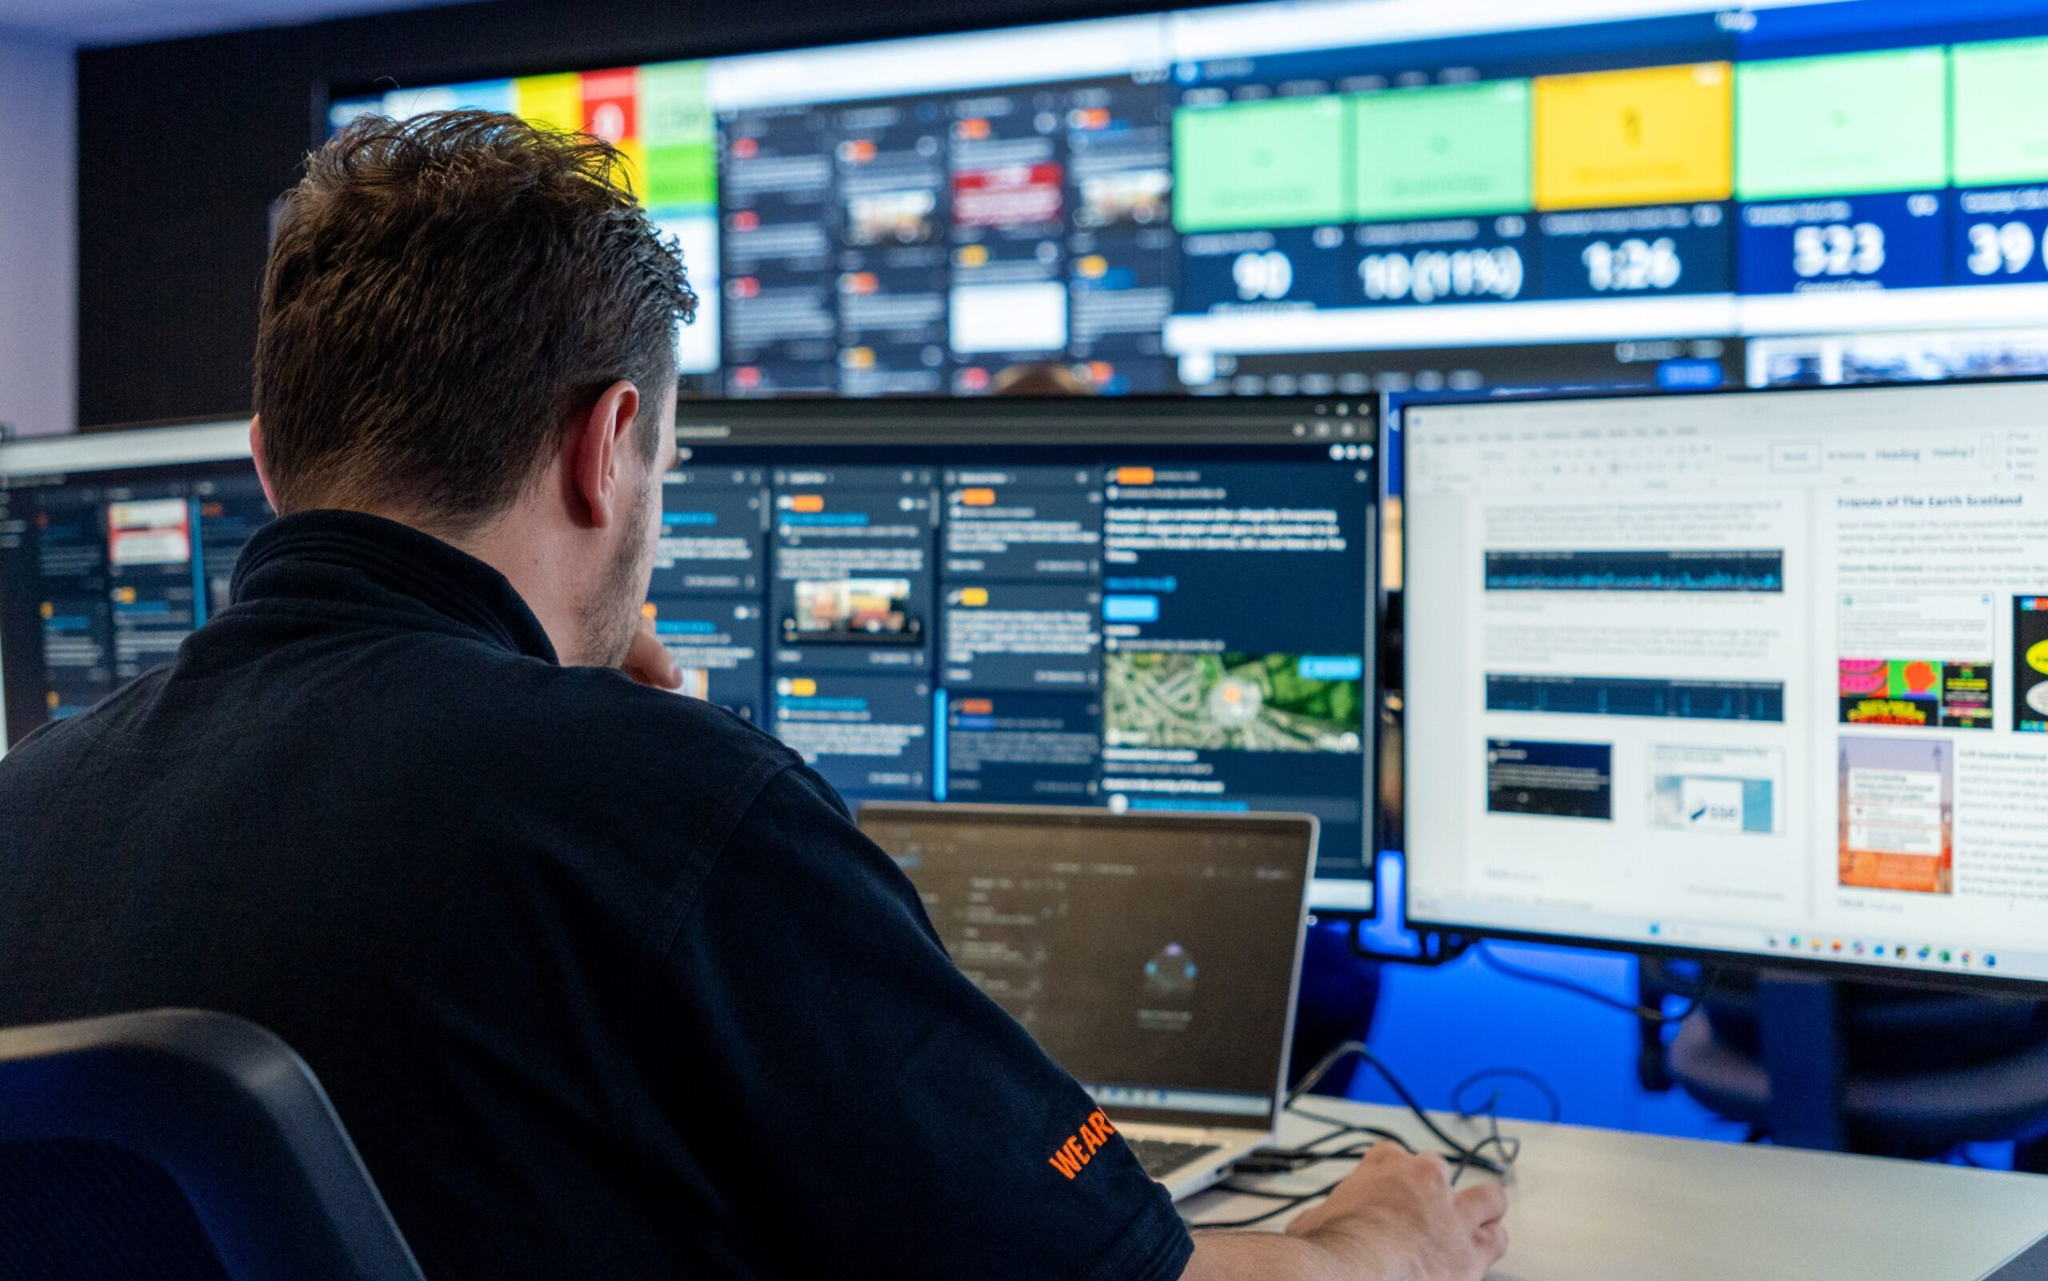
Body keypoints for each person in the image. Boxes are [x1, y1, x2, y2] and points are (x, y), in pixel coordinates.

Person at [0, 111, 1507, 1281]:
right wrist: (1382, 1230)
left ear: (269, 464)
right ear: (609, 445)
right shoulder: (657, 807)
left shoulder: (25, 810)